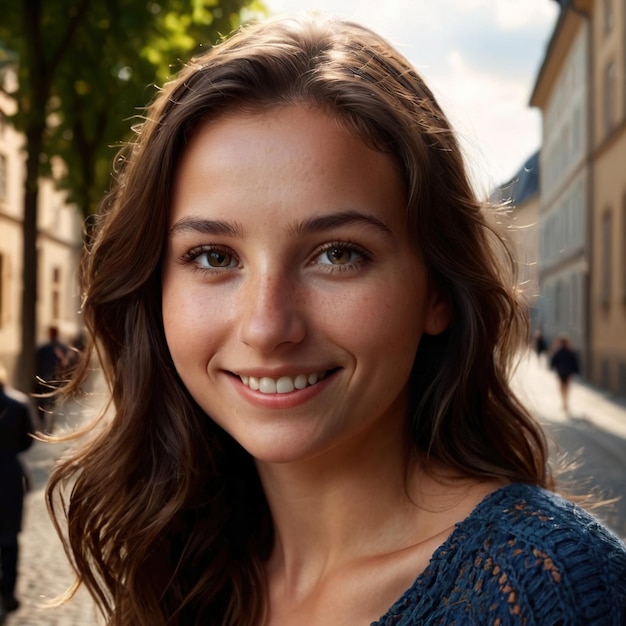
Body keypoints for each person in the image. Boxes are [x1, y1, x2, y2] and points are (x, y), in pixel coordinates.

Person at [45, 14, 626, 625]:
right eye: (213, 257)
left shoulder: (549, 590)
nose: (268, 326)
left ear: (438, 291)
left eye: (338, 254)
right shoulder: (183, 565)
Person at [0, 363, 35, 614]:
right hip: (10, 476)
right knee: (9, 538)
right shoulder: (19, 404)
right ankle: (9, 594)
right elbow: (27, 441)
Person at [34, 326, 70, 432]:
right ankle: (49, 426)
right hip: (55, 379)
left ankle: (45, 425)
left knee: (44, 403)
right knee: (52, 403)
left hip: (45, 378)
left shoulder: (43, 348)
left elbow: (37, 364)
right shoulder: (62, 347)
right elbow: (66, 365)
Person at [550, 334, 580, 413]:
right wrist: (576, 371)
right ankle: (565, 401)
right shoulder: (570, 352)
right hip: (567, 372)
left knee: (561, 386)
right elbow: (574, 363)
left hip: (560, 371)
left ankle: (563, 401)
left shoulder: (558, 352)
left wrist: (552, 367)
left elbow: (553, 361)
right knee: (566, 387)